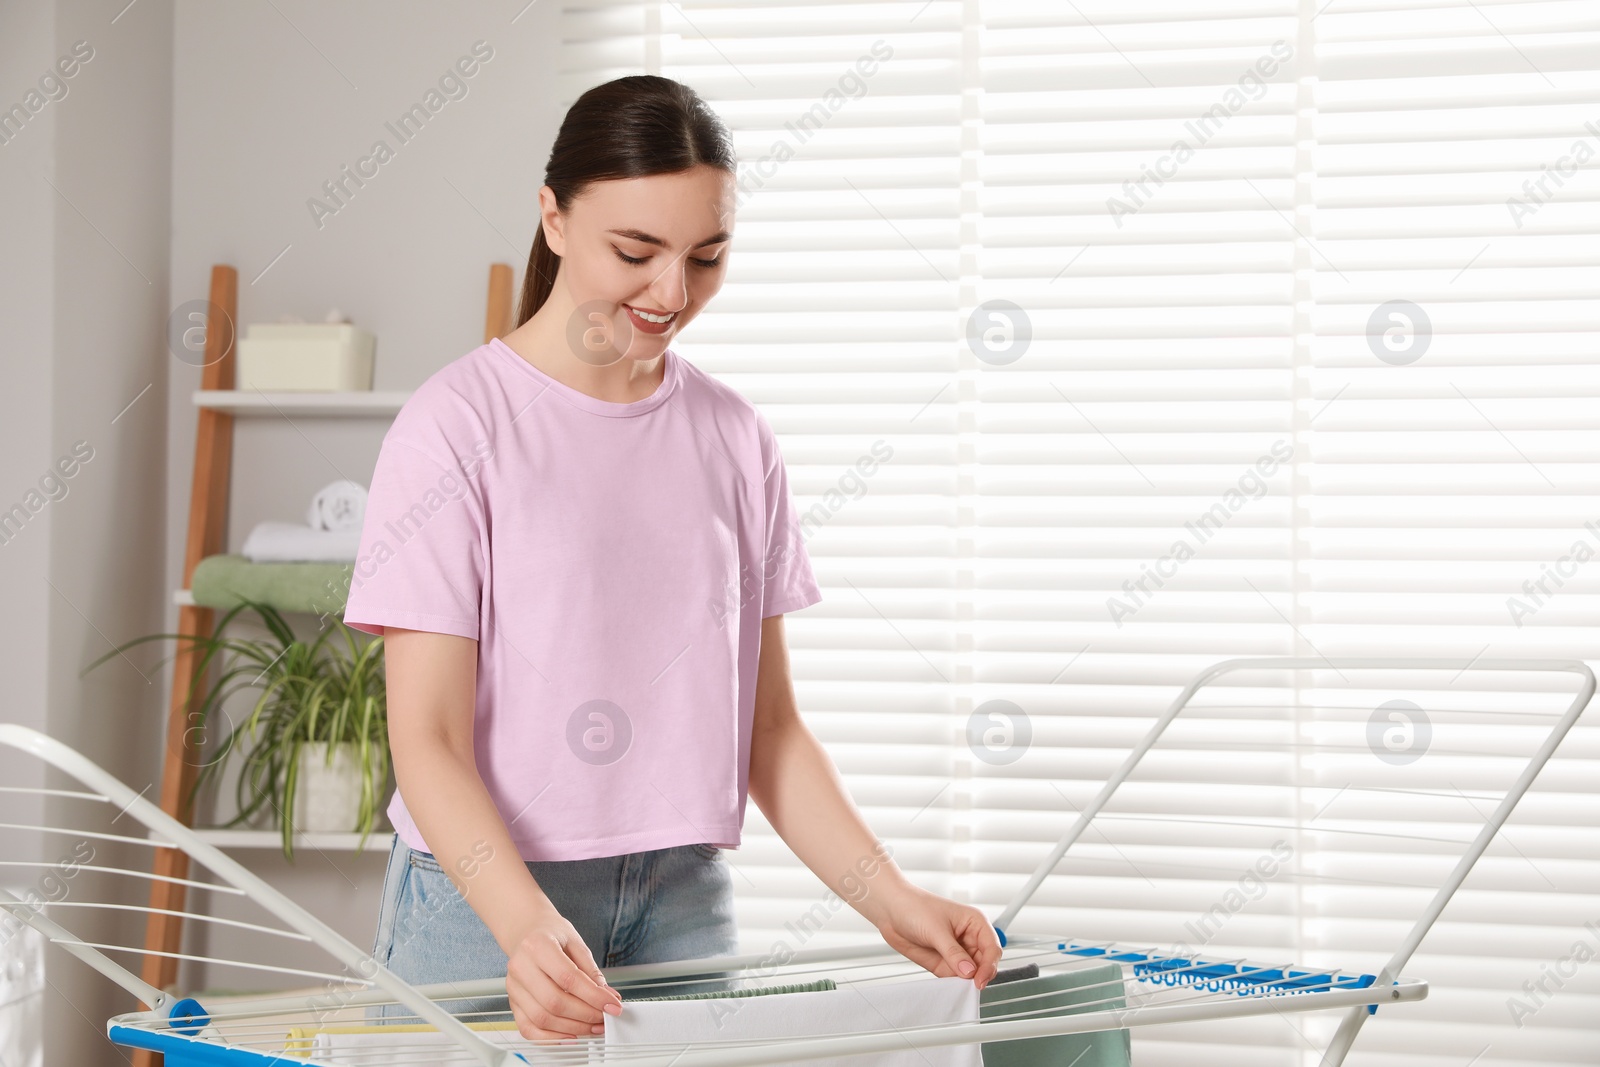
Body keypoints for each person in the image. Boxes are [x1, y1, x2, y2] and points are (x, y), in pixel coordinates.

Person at [342, 73, 1000, 1044]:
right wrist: (525, 926)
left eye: (707, 255)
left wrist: (889, 897)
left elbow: (768, 732)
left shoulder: (735, 439)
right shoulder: (455, 428)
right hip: (482, 905)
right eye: (636, 251)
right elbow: (428, 739)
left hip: (684, 896)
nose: (671, 292)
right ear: (553, 219)